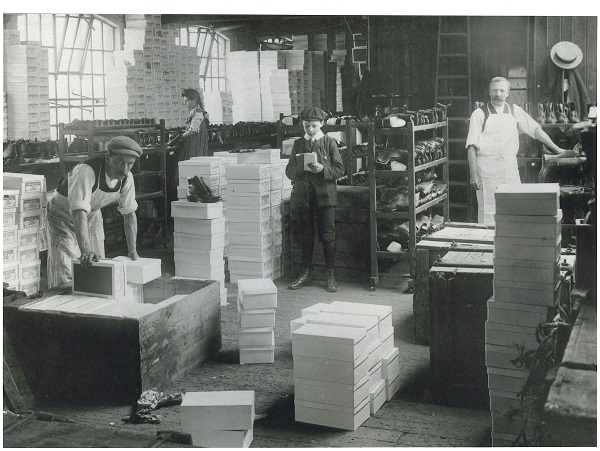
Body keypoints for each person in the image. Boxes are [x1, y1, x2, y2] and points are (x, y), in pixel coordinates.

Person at [466, 77, 570, 225]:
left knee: (513, 207)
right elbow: (471, 146)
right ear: (489, 92)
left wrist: (557, 149)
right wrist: (473, 175)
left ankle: (511, 243)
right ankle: (487, 246)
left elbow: (536, 130)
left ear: (508, 93)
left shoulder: (515, 111)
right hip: (487, 169)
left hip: (510, 167)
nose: (498, 94)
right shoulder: (479, 113)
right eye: (494, 90)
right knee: (488, 210)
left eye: (502, 90)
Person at [47, 136, 141, 288]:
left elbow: (129, 214)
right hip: (61, 216)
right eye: (120, 162)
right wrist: (85, 250)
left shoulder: (126, 178)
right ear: (108, 156)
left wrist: (133, 251)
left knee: (98, 263)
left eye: (130, 164)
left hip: (92, 214)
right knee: (65, 269)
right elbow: (78, 212)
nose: (124, 169)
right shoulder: (86, 171)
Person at [285, 107, 345, 292]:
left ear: (321, 124)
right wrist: (300, 169)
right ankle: (306, 272)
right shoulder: (298, 144)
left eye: (313, 125)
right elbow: (289, 170)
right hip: (304, 196)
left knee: (328, 235)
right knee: (305, 234)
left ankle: (330, 274)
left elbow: (340, 170)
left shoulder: (330, 142)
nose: (310, 129)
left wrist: (323, 170)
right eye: (306, 126)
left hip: (325, 196)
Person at [169, 88, 210, 161]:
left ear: (194, 100)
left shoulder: (197, 113)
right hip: (194, 145)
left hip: (194, 146)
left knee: (191, 165)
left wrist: (178, 138)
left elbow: (192, 130)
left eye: (187, 101)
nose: (185, 104)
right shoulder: (196, 112)